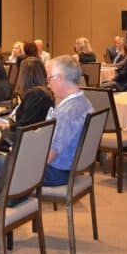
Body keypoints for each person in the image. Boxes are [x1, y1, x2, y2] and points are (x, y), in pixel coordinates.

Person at [44, 56, 93, 186]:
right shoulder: (84, 102)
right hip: (71, 167)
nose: (48, 85)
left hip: (56, 171)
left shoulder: (66, 113)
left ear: (60, 78)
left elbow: (49, 156)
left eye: (49, 79)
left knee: (2, 163)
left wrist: (24, 155)